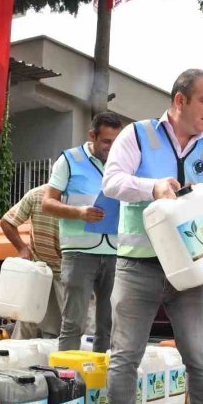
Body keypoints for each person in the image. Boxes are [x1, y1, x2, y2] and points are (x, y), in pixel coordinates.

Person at [100, 69, 203, 404]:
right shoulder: (138, 135)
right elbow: (112, 182)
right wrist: (152, 187)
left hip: (190, 274)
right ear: (180, 101)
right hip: (137, 267)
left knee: (201, 357)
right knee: (125, 356)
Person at [42, 112, 123, 353]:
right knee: (73, 323)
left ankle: (100, 380)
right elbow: (47, 203)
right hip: (79, 253)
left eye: (116, 142)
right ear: (92, 136)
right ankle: (69, 380)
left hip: (115, 252)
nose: (111, 148)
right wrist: (79, 212)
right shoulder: (69, 160)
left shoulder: (123, 163)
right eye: (106, 141)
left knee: (108, 324)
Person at [0, 184, 65, 339]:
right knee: (27, 323)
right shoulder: (36, 195)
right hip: (40, 270)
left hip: (68, 272)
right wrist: (22, 248)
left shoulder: (78, 197)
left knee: (74, 329)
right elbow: (7, 221)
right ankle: (15, 359)